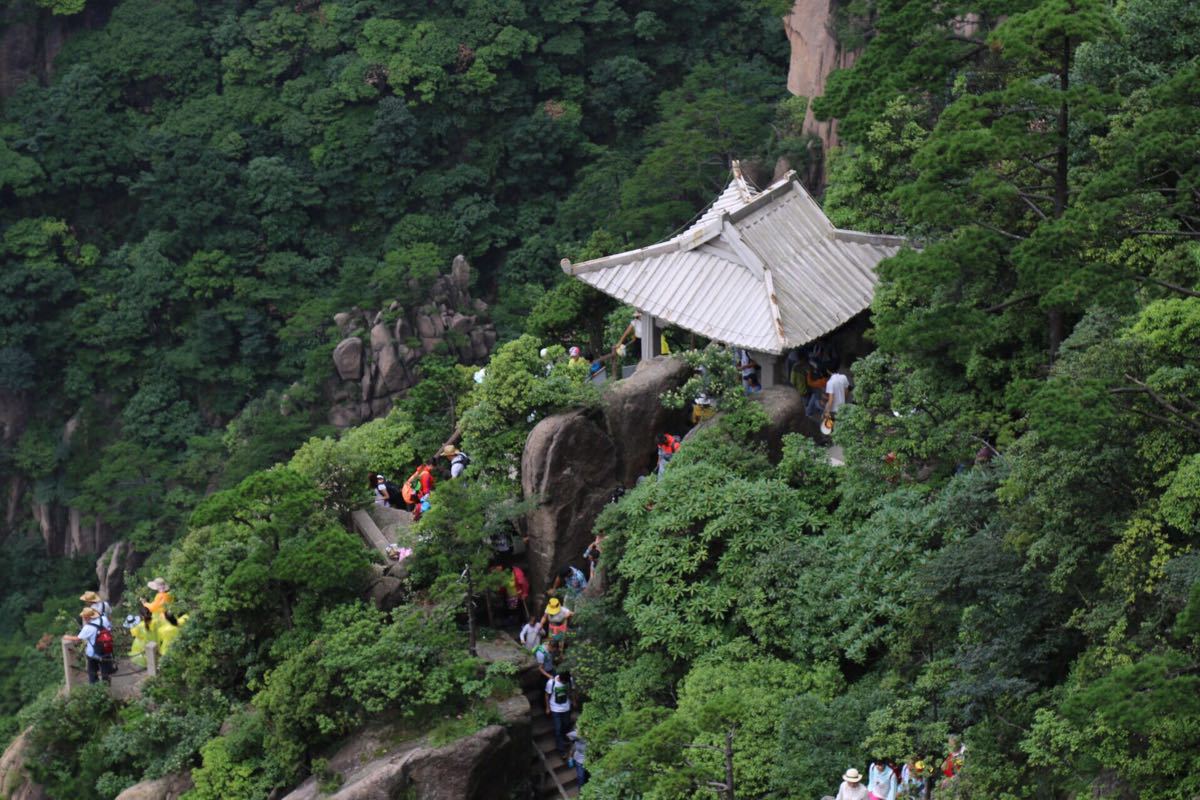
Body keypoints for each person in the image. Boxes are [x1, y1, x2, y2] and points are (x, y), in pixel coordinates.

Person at [63, 607, 114, 684]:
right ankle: (106, 688)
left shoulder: (88, 628)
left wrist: (66, 637)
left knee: (92, 674)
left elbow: (78, 638)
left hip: (93, 654)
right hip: (106, 650)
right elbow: (110, 627)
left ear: (86, 618)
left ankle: (95, 689)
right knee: (105, 673)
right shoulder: (103, 619)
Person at [545, 670, 574, 757]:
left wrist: (574, 700)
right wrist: (548, 707)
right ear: (561, 679)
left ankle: (565, 738)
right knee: (558, 729)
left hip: (566, 707)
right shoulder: (551, 683)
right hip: (555, 709)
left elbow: (571, 691)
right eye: (564, 682)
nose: (566, 683)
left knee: (566, 724)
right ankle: (561, 750)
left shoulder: (569, 680)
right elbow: (546, 695)